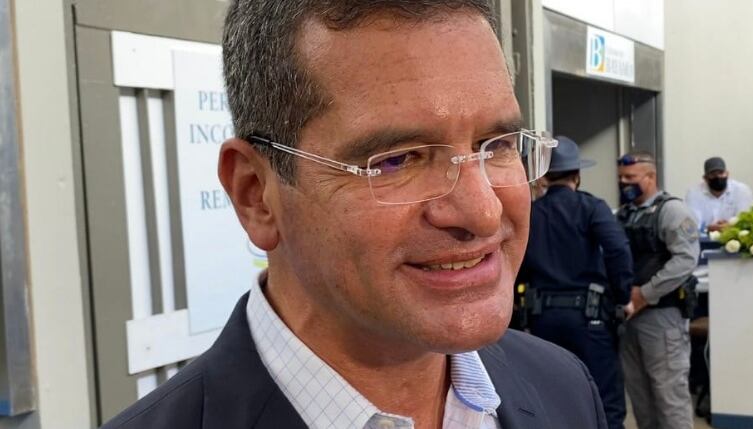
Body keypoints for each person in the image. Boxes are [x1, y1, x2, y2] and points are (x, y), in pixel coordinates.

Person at [102, 1, 608, 428]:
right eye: (397, 160)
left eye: (496, 145)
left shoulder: (563, 387)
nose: (483, 210)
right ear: (256, 194)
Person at [517, 137, 633, 429]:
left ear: (544, 177)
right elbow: (618, 250)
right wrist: (623, 296)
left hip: (542, 320)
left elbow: (515, 262)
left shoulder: (531, 213)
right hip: (590, 319)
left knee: (551, 396)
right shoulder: (592, 207)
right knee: (605, 401)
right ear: (577, 175)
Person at [616, 152, 699, 429]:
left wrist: (645, 294)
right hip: (630, 318)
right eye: (621, 178)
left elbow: (686, 259)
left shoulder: (672, 211)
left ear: (650, 177)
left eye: (631, 177)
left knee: (669, 398)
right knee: (641, 399)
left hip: (663, 317)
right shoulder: (624, 214)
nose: (624, 183)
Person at [685, 156, 752, 232]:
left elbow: (745, 220)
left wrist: (730, 226)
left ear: (727, 174)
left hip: (735, 236)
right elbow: (692, 223)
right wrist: (708, 228)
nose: (718, 177)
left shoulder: (741, 190)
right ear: (705, 178)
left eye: (721, 173)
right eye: (713, 174)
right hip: (704, 237)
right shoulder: (694, 193)